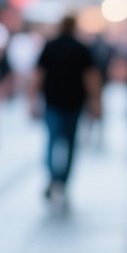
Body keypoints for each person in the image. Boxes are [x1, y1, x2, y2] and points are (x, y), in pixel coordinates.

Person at [33, 14, 102, 206]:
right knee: (70, 143)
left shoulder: (50, 46)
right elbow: (91, 77)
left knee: (52, 141)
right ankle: (62, 180)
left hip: (53, 101)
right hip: (74, 103)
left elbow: (38, 74)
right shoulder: (81, 48)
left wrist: (32, 99)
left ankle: (54, 177)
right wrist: (96, 101)